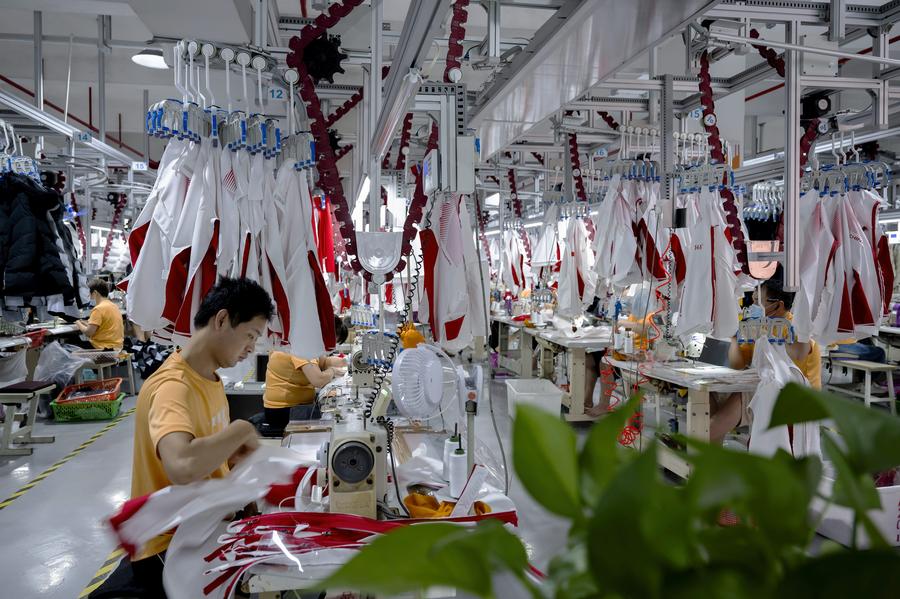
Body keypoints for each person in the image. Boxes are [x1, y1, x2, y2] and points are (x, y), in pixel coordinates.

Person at [90, 277, 274, 599]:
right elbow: (182, 464)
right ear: (221, 320)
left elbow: (209, 455)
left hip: (203, 531)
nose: (251, 348)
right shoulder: (174, 386)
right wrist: (241, 430)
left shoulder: (210, 379)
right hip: (169, 550)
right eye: (250, 335)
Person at [709, 269, 822, 444]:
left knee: (738, 401)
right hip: (766, 390)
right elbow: (737, 363)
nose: (753, 305)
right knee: (713, 395)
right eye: (753, 300)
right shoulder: (758, 327)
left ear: (779, 305)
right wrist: (733, 335)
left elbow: (796, 356)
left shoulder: (797, 331)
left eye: (758, 301)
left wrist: (767, 334)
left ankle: (693, 442)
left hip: (794, 399)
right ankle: (707, 454)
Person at [261, 316, 349, 436]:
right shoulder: (300, 345)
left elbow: (323, 362)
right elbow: (318, 380)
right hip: (284, 411)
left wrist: (348, 361)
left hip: (291, 408)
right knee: (339, 420)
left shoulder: (303, 339)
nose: (329, 348)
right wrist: (333, 371)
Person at [75, 279, 125, 350]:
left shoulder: (98, 309)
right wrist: (86, 323)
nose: (89, 297)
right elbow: (103, 326)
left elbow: (88, 332)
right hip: (116, 347)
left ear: (95, 293)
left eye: (89, 294)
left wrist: (77, 322)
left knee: (70, 346)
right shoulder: (113, 306)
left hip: (102, 348)